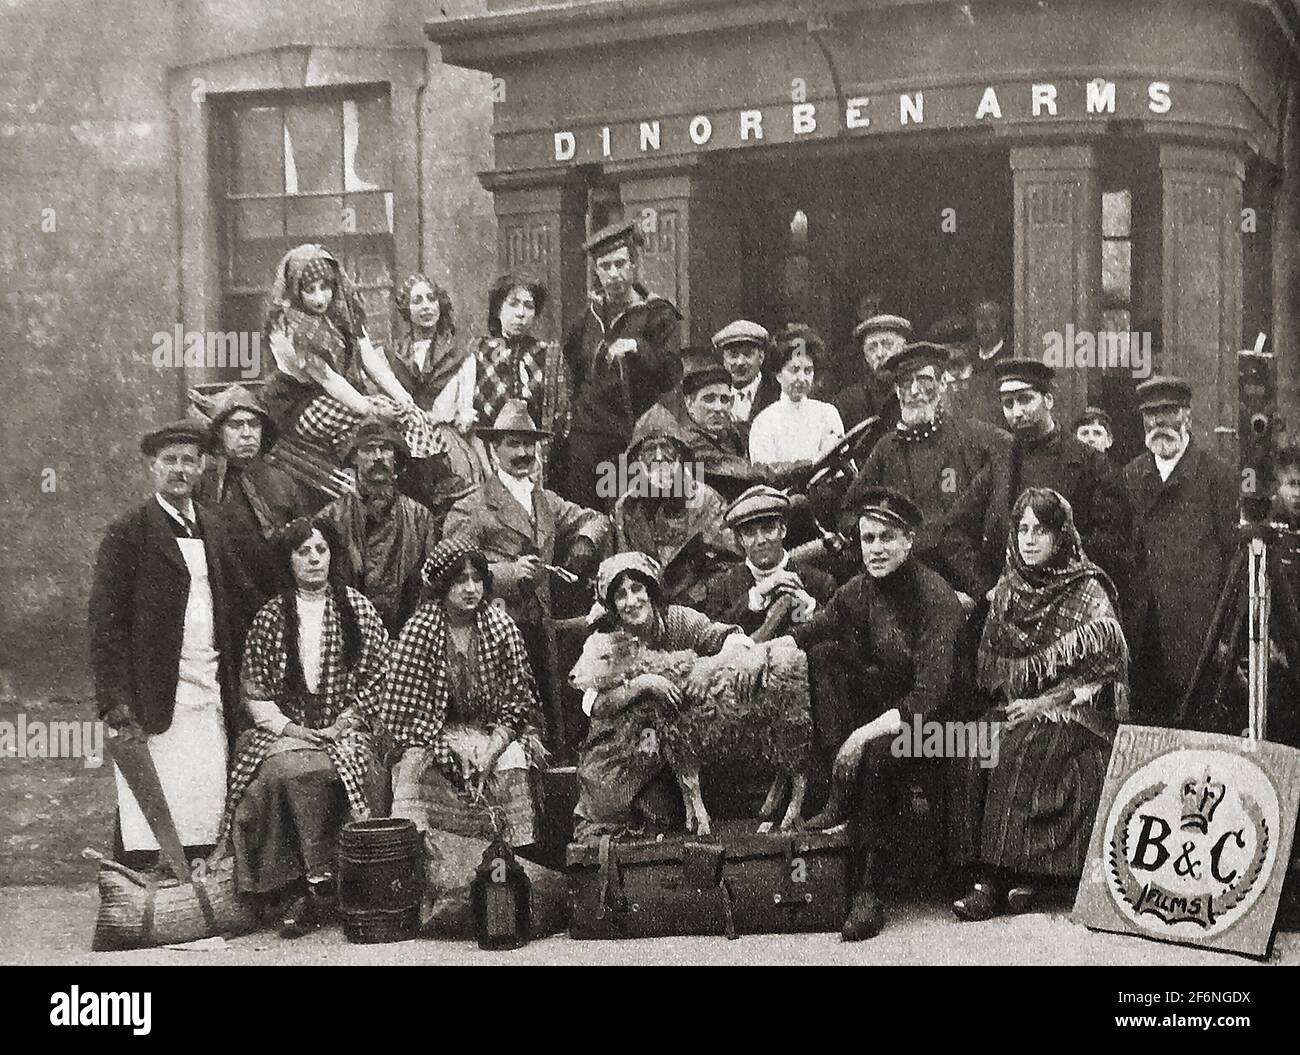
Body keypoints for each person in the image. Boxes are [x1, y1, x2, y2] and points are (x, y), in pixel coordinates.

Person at [782, 488, 964, 941]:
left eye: (886, 538)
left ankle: (871, 890)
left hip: (948, 729)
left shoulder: (934, 597)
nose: (876, 549)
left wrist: (859, 736)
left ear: (909, 541)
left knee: (881, 755)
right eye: (867, 538)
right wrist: (750, 655)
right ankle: (837, 795)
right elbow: (808, 634)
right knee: (823, 656)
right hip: (888, 714)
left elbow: (931, 696)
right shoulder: (860, 589)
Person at [952, 488, 1129, 920]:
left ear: (1061, 536)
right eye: (1023, 529)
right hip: (1021, 706)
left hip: (1078, 713)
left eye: (1041, 530)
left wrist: (1043, 702)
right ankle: (1011, 876)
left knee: (1021, 749)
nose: (1030, 540)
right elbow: (995, 668)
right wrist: (1018, 702)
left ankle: (992, 882)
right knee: (971, 743)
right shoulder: (1009, 588)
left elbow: (1103, 678)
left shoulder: (1088, 589)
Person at [89, 421, 258, 870]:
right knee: (156, 797)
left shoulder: (215, 528)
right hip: (155, 690)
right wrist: (114, 701)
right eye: (170, 461)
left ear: (202, 467)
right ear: (152, 467)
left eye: (188, 461)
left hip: (209, 684)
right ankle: (150, 887)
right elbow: (105, 625)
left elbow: (239, 601)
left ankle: (199, 889)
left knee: (204, 791)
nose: (179, 470)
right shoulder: (128, 532)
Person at [214, 517, 389, 937]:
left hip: (347, 729)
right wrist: (293, 729)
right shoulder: (271, 617)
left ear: (332, 555)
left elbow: (382, 677)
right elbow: (255, 692)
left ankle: (338, 885)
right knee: (281, 773)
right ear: (289, 561)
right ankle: (289, 887)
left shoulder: (357, 609)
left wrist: (345, 722)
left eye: (321, 550)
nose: (314, 559)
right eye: (303, 552)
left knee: (348, 770)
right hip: (287, 733)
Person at [443, 400, 607, 750]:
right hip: (491, 631)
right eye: (513, 444)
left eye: (528, 444)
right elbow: (449, 567)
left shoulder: (545, 501)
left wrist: (581, 544)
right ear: (494, 448)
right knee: (502, 722)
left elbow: (596, 519)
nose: (522, 452)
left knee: (548, 718)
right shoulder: (472, 506)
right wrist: (507, 573)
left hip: (540, 632)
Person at [572, 552, 755, 841]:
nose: (631, 601)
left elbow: (737, 640)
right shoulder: (607, 641)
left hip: (682, 740)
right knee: (630, 811)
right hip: (629, 745)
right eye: (620, 595)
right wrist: (644, 684)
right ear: (613, 606)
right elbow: (593, 703)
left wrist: (706, 668)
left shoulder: (679, 620)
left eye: (636, 589)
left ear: (650, 591)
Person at [962, 359, 1136, 626]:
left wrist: (1062, 572)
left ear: (1049, 400)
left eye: (1025, 400)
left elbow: (1114, 541)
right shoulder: (999, 465)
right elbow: (953, 531)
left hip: (1071, 614)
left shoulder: (1090, 463)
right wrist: (985, 587)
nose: (1016, 412)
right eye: (1008, 404)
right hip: (1012, 616)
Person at [844, 341, 1010, 608]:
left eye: (924, 381)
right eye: (906, 383)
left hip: (961, 577)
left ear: (942, 383)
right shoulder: (887, 448)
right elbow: (849, 512)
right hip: (899, 579)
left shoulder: (974, 439)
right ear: (897, 392)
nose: (915, 391)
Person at [1121, 376, 1236, 723]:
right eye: (1150, 415)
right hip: (1144, 637)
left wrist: (1228, 638)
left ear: (1187, 416)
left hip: (1199, 638)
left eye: (1167, 413)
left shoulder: (1218, 477)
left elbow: (1235, 561)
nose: (1158, 424)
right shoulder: (1130, 476)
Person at [259, 244, 431, 461]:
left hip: (343, 395)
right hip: (299, 404)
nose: (320, 298)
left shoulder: (341, 312)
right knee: (375, 426)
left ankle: (425, 474)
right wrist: (372, 409)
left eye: (325, 287)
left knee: (410, 413)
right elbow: (328, 379)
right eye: (309, 290)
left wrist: (403, 398)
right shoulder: (287, 328)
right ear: (295, 289)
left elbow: (367, 356)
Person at [562, 221, 683, 508]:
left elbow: (670, 374)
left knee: (628, 512)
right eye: (605, 266)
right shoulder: (586, 318)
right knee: (587, 514)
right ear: (596, 272)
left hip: (633, 438)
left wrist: (638, 347)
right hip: (588, 437)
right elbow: (572, 371)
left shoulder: (657, 314)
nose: (614, 274)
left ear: (634, 264)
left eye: (620, 264)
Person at [317, 421, 439, 638]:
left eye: (385, 449)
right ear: (354, 458)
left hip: (406, 637)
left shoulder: (420, 518)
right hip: (348, 635)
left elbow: (430, 589)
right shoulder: (331, 518)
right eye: (368, 449)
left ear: (395, 457)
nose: (378, 456)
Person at [613, 403, 739, 609]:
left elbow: (731, 562)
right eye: (650, 449)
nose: (660, 457)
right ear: (638, 459)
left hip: (702, 608)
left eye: (666, 447)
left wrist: (700, 595)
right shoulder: (627, 507)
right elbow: (623, 568)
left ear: (679, 455)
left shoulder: (705, 500)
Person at [194, 384, 311, 588]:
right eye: (236, 425)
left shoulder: (284, 484)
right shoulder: (203, 485)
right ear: (219, 433)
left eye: (254, 424)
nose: (247, 433)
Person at [385, 273, 482, 491]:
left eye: (431, 298)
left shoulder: (461, 354)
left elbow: (464, 411)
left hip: (446, 439)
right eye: (417, 301)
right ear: (406, 309)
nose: (426, 306)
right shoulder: (393, 354)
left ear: (440, 304)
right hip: (404, 439)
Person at [702, 485, 836, 637]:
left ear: (783, 530)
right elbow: (711, 639)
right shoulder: (722, 586)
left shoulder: (819, 582)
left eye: (768, 529)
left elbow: (835, 638)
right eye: (749, 533)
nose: (760, 540)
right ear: (740, 539)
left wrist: (812, 610)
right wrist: (754, 598)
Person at [472, 275, 571, 481]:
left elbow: (560, 417)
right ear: (498, 309)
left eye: (528, 306)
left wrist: (539, 458)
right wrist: (488, 465)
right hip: (487, 460)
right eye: (513, 304)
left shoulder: (548, 355)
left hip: (537, 462)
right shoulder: (479, 352)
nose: (521, 313)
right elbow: (473, 416)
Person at [749, 324, 845, 470]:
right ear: (779, 375)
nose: (801, 378)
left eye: (808, 371)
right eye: (794, 370)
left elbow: (839, 465)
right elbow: (766, 473)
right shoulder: (764, 423)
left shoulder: (827, 414)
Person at [676, 348, 767, 500]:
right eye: (709, 399)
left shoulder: (734, 432)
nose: (718, 408)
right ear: (689, 403)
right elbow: (743, 472)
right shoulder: (687, 443)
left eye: (724, 399)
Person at [832, 313, 910, 436]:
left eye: (887, 344)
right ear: (865, 356)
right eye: (872, 347)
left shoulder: (919, 393)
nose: (879, 353)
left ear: (903, 348)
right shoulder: (848, 403)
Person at [713, 319, 779, 444]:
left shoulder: (778, 393)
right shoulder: (712, 396)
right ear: (723, 359)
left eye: (748, 354)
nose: (740, 362)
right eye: (733, 355)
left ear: (761, 357)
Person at [965, 299, 1013, 429]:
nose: (985, 324)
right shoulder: (968, 357)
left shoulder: (1010, 357)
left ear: (1001, 323)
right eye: (980, 318)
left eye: (992, 317)